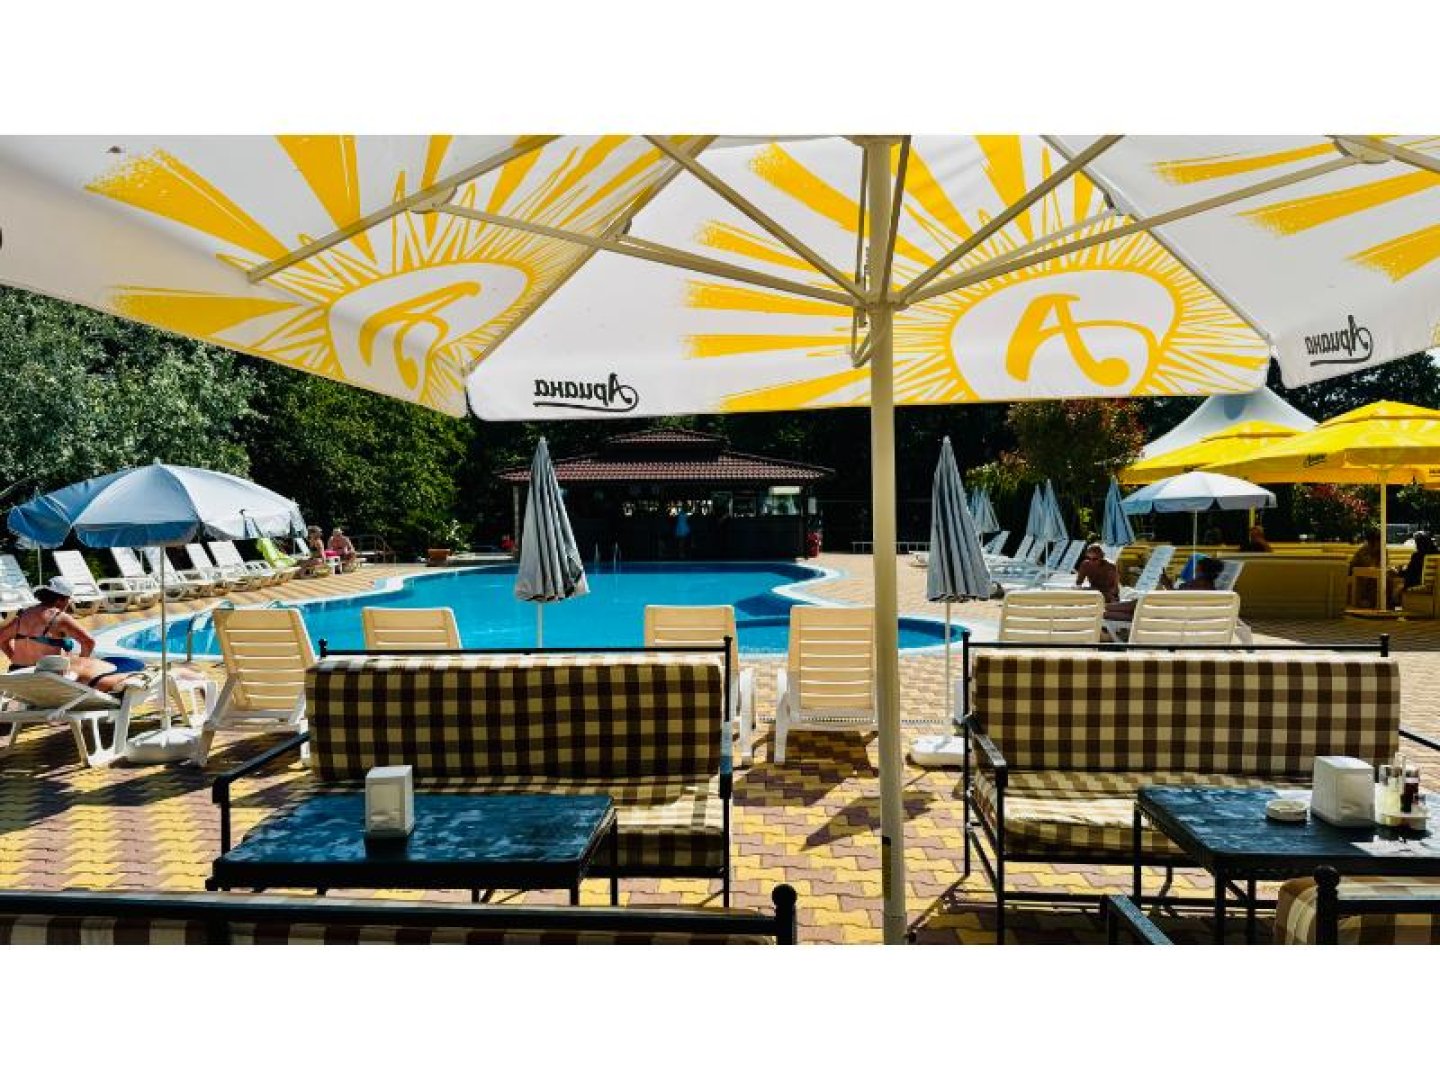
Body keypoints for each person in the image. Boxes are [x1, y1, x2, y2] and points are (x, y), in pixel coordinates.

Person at [0, 577, 145, 693]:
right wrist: (83, 663)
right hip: (51, 677)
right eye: (68, 599)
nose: (68, 603)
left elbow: (1, 640)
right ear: (60, 599)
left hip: (19, 672)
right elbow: (88, 642)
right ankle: (131, 678)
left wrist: (13, 656)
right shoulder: (58, 618)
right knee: (113, 669)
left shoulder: (23, 616)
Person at [1350, 527, 1402, 608]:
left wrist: (1390, 569)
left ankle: (1388, 602)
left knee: (1390, 578)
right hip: (1363, 577)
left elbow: (1384, 565)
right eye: (1379, 541)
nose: (1381, 543)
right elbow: (1362, 566)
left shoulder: (1383, 551)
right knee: (1377, 579)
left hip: (1378, 575)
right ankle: (1371, 601)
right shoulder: (1363, 551)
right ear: (1372, 542)